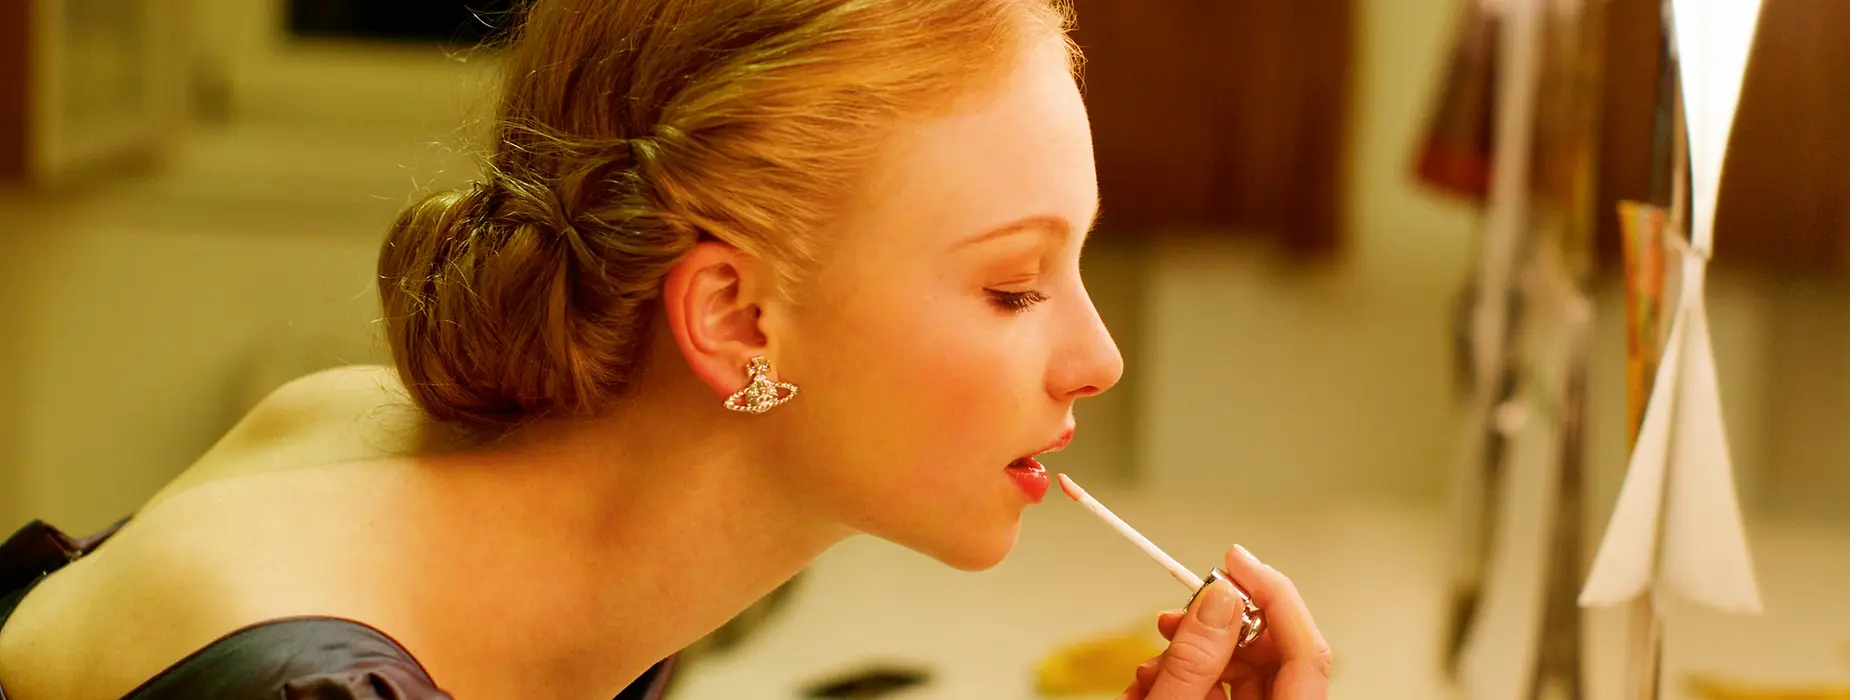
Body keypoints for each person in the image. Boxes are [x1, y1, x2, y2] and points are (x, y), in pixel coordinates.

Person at [0, 0, 1330, 697]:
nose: (1098, 357)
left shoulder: (594, 547)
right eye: (1012, 287)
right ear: (736, 320)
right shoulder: (315, 680)